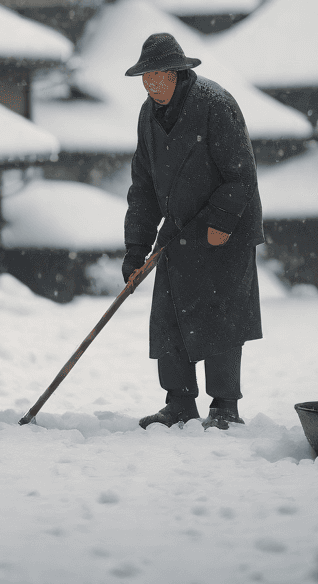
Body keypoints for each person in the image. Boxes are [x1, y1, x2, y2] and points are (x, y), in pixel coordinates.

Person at [121, 32, 264, 430]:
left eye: (157, 78)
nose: (151, 87)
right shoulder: (147, 116)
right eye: (145, 79)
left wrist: (220, 222)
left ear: (177, 74)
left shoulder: (215, 105)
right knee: (169, 318)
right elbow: (143, 188)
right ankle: (179, 403)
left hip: (227, 230)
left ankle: (224, 407)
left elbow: (241, 174)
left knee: (220, 319)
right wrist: (135, 249)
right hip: (179, 229)